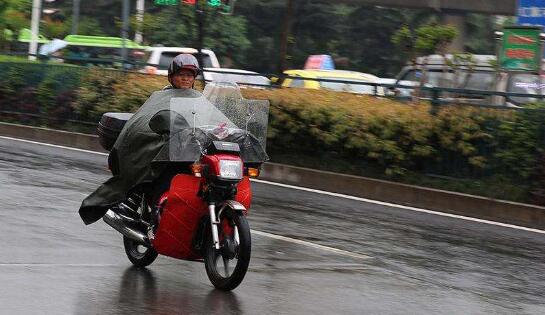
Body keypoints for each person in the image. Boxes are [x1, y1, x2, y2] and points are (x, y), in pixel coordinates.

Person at [79, 54, 202, 226]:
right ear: (172, 76)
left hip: (192, 152)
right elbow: (143, 123)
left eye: (189, 75)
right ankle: (157, 217)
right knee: (165, 177)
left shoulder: (199, 99)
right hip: (164, 154)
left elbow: (211, 121)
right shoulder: (160, 97)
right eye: (181, 74)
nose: (185, 78)